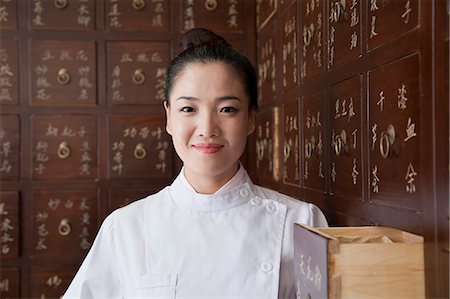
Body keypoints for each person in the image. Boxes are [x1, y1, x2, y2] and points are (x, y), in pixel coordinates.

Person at [63, 28, 328, 299]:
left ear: (250, 119)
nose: (207, 129)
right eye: (188, 109)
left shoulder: (300, 222)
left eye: (227, 109)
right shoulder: (125, 229)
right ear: (169, 117)